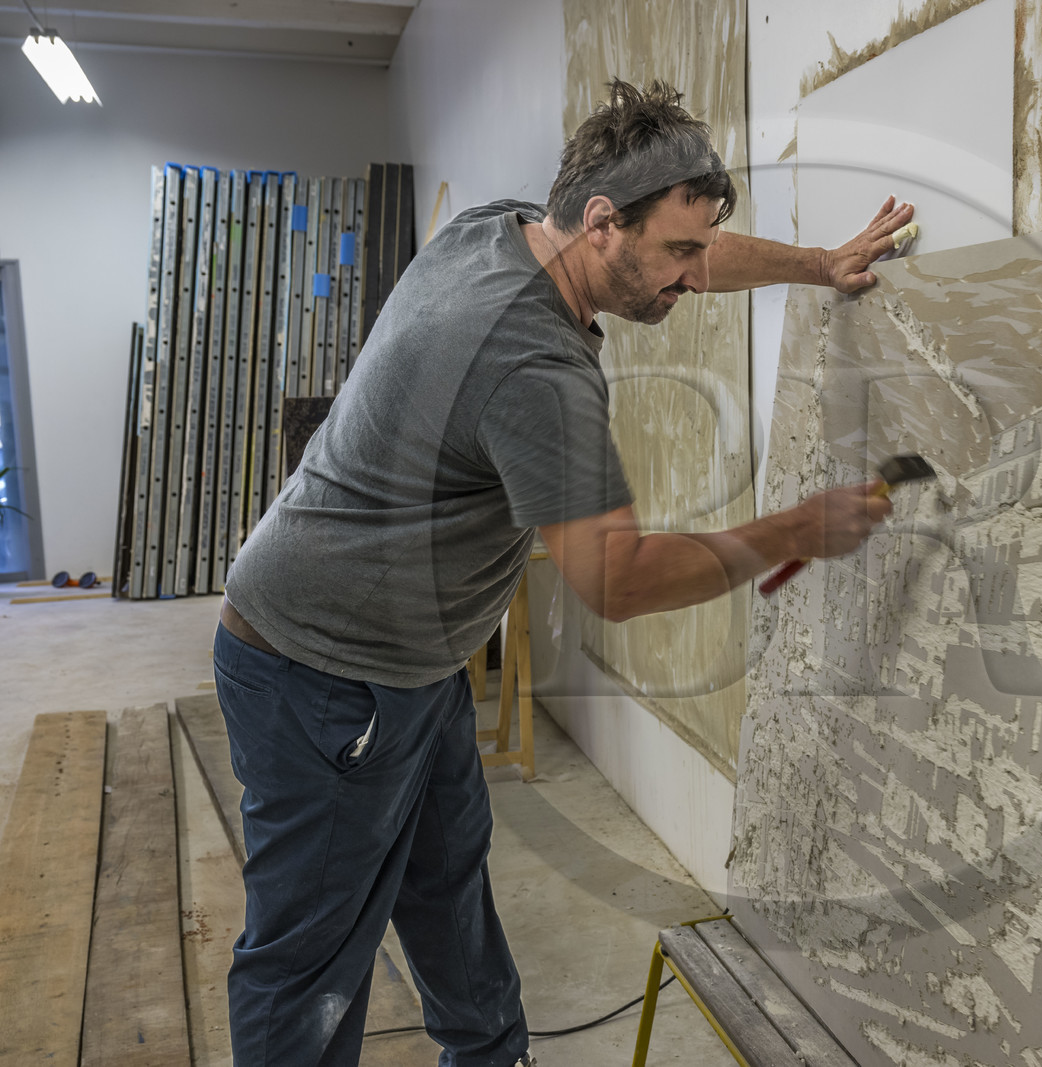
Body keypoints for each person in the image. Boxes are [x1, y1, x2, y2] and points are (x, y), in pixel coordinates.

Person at [212, 78, 913, 1067]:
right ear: (600, 225)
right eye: (674, 251)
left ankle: (494, 1056)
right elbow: (616, 581)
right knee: (313, 959)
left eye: (692, 247)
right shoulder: (529, 363)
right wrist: (799, 524)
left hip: (407, 659)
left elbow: (693, 258)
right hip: (322, 668)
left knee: (447, 878)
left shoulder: (504, 229)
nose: (689, 273)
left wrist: (817, 264)